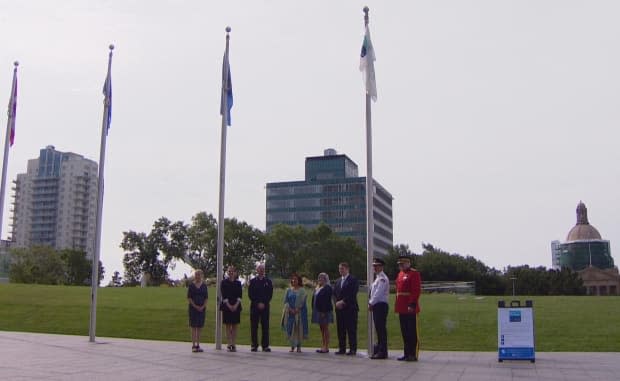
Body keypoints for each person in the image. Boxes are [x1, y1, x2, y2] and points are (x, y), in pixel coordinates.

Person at [395, 255, 422, 361]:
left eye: (402, 264)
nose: (400, 266)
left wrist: (412, 304)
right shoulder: (400, 274)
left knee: (412, 332)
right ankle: (406, 353)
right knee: (405, 332)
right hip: (401, 307)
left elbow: (416, 290)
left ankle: (413, 354)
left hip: (410, 306)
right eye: (399, 264)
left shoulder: (414, 273)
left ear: (408, 263)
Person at [332, 262, 359, 355]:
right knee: (341, 330)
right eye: (339, 269)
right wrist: (336, 302)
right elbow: (334, 294)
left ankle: (352, 349)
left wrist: (343, 301)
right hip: (339, 310)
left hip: (350, 308)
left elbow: (353, 293)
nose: (340, 270)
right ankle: (342, 348)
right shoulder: (337, 281)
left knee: (351, 330)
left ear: (347, 269)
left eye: (342, 268)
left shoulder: (353, 280)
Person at [248, 263, 273, 352]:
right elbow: (250, 294)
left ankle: (265, 345)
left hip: (265, 307)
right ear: (257, 270)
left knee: (265, 326)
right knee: (254, 326)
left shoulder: (268, 282)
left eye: (263, 269)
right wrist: (258, 303)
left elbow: (270, 294)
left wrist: (263, 303)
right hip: (254, 307)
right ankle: (254, 345)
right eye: (260, 269)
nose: (261, 271)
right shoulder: (253, 281)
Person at [281, 273, 308, 352]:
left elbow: (303, 301)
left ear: (298, 280)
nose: (293, 280)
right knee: (291, 329)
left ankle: (299, 347)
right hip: (290, 313)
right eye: (292, 279)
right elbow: (285, 301)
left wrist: (297, 309)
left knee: (298, 329)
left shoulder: (302, 290)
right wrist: (290, 309)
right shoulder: (288, 290)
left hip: (299, 313)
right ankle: (292, 346)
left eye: (295, 279)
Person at [368, 258, 389, 359]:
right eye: (374, 266)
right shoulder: (377, 278)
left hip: (380, 305)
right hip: (377, 305)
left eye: (376, 266)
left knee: (381, 329)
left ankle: (382, 351)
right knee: (378, 329)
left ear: (381, 267)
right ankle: (379, 348)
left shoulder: (382, 278)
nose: (374, 268)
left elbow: (378, 293)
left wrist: (371, 303)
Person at [221, 265, 242, 352]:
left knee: (234, 326)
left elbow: (240, 296)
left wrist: (236, 305)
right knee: (228, 325)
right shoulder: (224, 282)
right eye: (229, 271)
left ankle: (234, 343)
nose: (230, 273)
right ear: (227, 272)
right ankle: (229, 344)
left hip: (236, 306)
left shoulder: (238, 283)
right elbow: (224, 295)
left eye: (232, 271)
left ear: (235, 273)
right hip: (227, 306)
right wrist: (229, 305)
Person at [311, 272, 333, 353]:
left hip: (324, 311)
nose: (320, 279)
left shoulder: (328, 288)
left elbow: (327, 301)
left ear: (325, 279)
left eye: (322, 278)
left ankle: (326, 347)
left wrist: (323, 311)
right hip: (318, 311)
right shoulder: (318, 287)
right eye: (319, 278)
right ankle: (323, 345)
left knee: (325, 328)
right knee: (321, 329)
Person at [187, 269, 208, 353]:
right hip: (193, 308)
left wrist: (203, 306)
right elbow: (189, 297)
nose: (197, 276)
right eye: (196, 274)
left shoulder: (204, 286)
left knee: (199, 327)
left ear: (202, 276)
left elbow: (206, 298)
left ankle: (198, 344)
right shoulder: (191, 286)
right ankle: (193, 345)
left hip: (202, 309)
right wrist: (195, 306)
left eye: (199, 274)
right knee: (193, 327)